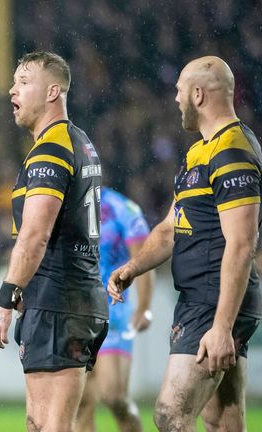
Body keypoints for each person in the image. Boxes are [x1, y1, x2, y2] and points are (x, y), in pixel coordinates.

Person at [109, 56, 261, 431]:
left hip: (214, 300)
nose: (175, 99)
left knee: (170, 413)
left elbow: (242, 243)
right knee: (223, 420)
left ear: (197, 94)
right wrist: (132, 268)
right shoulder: (200, 151)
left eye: (179, 90)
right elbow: (168, 229)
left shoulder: (232, 152)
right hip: (202, 298)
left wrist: (222, 326)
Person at [0, 51, 108, 432]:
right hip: (64, 299)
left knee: (51, 426)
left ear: (53, 91)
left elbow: (35, 236)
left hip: (60, 302)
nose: (11, 90)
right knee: (40, 424)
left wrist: (3, 302)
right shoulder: (78, 142)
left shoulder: (51, 149)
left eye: (23, 81)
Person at [76, 187, 154, 432]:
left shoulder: (124, 209)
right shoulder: (67, 206)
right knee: (80, 402)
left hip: (114, 314)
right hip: (76, 314)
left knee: (113, 396)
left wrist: (143, 307)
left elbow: (144, 258)